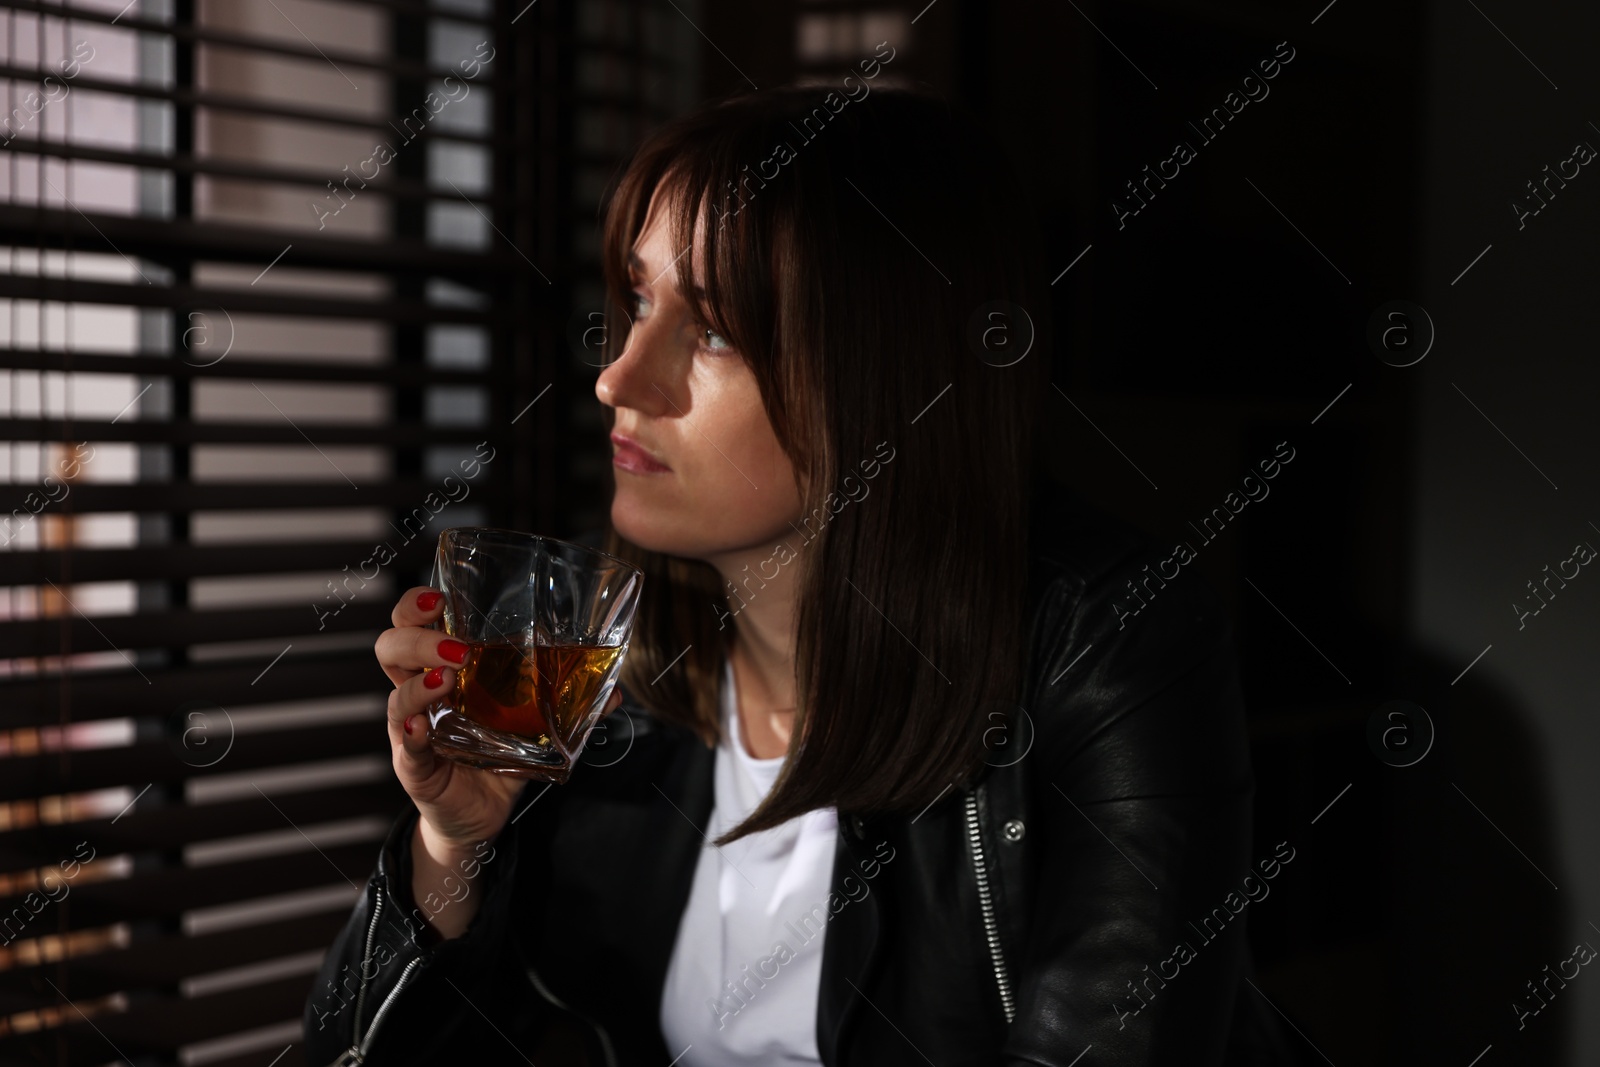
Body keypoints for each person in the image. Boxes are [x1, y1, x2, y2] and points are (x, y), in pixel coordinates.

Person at [303, 83, 1299, 1066]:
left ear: (881, 381)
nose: (618, 376)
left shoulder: (1106, 644)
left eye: (715, 328)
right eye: (639, 299)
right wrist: (453, 845)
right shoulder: (574, 646)